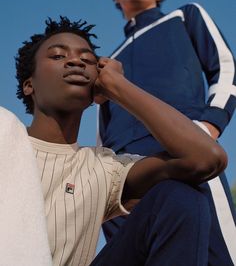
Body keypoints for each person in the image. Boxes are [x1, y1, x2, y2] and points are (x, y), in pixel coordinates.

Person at [3, 16, 226, 266]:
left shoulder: (104, 168)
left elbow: (206, 159)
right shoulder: (5, 133)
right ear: (28, 85)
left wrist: (118, 86)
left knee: (182, 195)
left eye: (88, 60)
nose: (76, 61)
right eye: (57, 56)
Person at [98, 0, 236, 265]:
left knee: (217, 255)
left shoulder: (185, 17)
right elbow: (100, 131)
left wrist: (209, 125)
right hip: (125, 177)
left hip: (185, 151)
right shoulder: (107, 62)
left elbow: (226, 68)